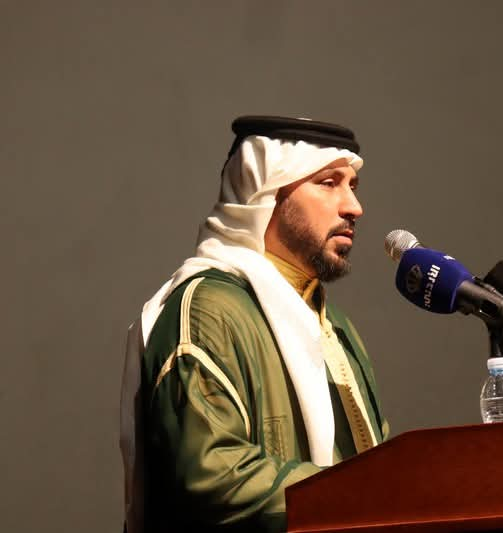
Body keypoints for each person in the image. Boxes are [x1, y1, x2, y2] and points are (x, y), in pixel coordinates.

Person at [119, 116, 389, 533]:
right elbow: (211, 478)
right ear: (265, 195)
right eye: (328, 183)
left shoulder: (333, 324)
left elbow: (377, 465)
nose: (354, 207)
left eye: (352, 186)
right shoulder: (209, 309)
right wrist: (357, 492)